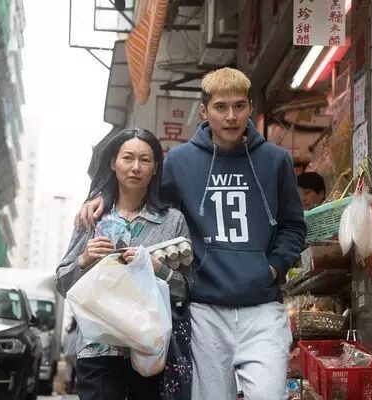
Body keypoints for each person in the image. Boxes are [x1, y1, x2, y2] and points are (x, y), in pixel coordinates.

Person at [77, 67, 306, 400]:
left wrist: (273, 267)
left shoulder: (276, 160)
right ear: (204, 111)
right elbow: (144, 196)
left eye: (239, 106)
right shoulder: (180, 161)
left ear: (250, 108)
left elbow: (293, 224)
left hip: (262, 306)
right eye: (221, 107)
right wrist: (103, 197)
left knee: (269, 394)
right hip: (204, 309)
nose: (231, 116)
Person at [55, 127, 191, 400]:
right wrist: (84, 259)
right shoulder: (92, 217)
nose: (135, 167)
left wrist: (158, 268)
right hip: (98, 348)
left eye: (145, 160)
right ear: (113, 163)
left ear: (155, 168)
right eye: (128, 158)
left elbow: (186, 290)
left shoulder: (172, 221)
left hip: (149, 349)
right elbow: (62, 284)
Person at [63, 317, 78, 394]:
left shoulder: (68, 333)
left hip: (67, 354)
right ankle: (75, 388)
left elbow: (64, 344)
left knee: (68, 371)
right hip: (74, 355)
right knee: (78, 371)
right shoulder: (77, 333)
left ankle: (68, 388)